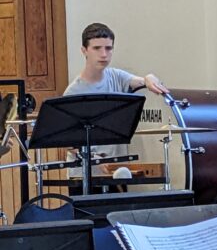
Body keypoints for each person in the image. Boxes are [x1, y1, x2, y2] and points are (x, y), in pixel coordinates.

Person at [63, 22, 169, 192]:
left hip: (117, 171)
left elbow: (141, 82)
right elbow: (67, 141)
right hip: (85, 176)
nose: (103, 54)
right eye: (97, 48)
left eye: (108, 48)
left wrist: (149, 78)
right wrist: (94, 158)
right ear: (84, 50)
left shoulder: (116, 76)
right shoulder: (74, 92)